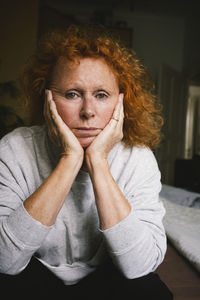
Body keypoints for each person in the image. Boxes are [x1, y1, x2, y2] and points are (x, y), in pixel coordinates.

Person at [0, 24, 173, 299]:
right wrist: (70, 159)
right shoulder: (14, 148)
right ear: (48, 99)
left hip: (106, 277)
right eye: (72, 94)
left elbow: (140, 266)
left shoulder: (138, 158)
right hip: (34, 276)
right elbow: (5, 261)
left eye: (101, 95)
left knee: (151, 291)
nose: (88, 111)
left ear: (120, 103)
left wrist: (98, 161)